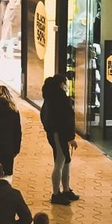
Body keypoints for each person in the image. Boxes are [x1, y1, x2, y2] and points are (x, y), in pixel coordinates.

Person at [39, 74, 79, 204]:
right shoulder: (60, 100)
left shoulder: (50, 99)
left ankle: (66, 190)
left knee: (66, 160)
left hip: (56, 133)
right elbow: (66, 120)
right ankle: (56, 194)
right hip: (58, 134)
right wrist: (70, 137)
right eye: (66, 83)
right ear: (61, 84)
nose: (67, 85)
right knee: (60, 162)